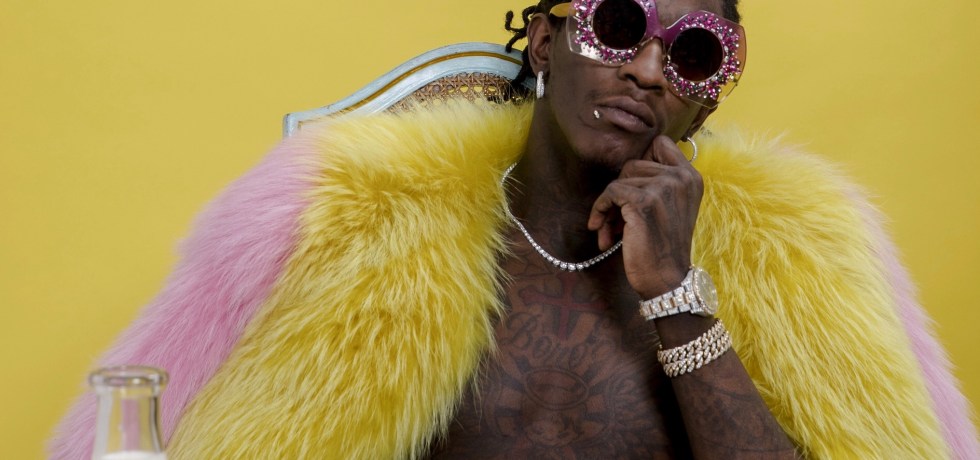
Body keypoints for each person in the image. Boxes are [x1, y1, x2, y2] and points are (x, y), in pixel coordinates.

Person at [50, 0, 977, 458]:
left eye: (692, 53)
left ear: (706, 99)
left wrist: (677, 296)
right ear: (542, 40)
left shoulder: (799, 253)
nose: (647, 71)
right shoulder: (349, 224)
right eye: (618, 24)